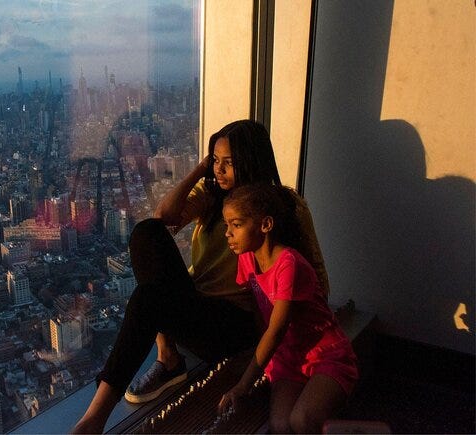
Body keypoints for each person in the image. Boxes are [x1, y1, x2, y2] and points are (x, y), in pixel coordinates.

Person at [72, 120, 327, 434]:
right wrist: (202, 168)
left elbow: (316, 278)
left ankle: (93, 420)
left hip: (236, 323)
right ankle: (167, 356)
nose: (219, 170)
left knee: (148, 298)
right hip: (197, 307)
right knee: (146, 232)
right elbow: (164, 218)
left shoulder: (286, 208)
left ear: (251, 161)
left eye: (228, 163)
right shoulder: (214, 195)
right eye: (216, 161)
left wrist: (289, 328)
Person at [219, 184, 358, 433]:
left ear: (266, 225)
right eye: (226, 225)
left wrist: (244, 384)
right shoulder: (246, 259)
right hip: (289, 358)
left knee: (301, 421)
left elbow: (276, 329)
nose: (228, 233)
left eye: (236, 225)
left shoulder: (288, 265)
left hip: (326, 354)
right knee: (281, 425)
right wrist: (264, 364)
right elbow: (259, 314)